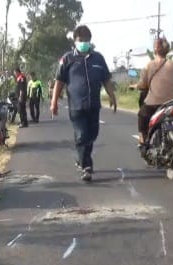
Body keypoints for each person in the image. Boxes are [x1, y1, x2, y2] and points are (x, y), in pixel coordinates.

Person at [51, 25, 117, 182]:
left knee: (92, 135)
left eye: (87, 40)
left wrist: (112, 96)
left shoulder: (98, 58)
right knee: (82, 135)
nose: (84, 43)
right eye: (81, 40)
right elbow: (59, 82)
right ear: (75, 41)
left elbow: (106, 79)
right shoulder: (67, 59)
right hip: (76, 106)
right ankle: (86, 166)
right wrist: (54, 102)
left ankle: (82, 159)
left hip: (94, 105)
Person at [131, 38, 173, 151]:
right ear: (167, 50)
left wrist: (134, 86)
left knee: (142, 115)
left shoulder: (149, 66)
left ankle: (143, 140)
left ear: (154, 50)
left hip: (154, 104)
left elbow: (142, 85)